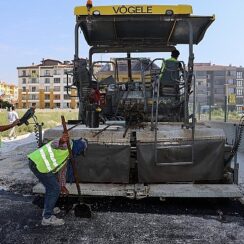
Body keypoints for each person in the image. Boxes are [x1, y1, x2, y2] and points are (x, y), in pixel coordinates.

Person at [28, 133, 88, 226]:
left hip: (37, 163)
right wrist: (61, 141)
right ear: (79, 147)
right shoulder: (68, 144)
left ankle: (48, 209)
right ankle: (47, 218)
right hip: (39, 164)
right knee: (54, 189)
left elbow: (62, 172)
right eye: (80, 151)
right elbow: (56, 144)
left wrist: (63, 186)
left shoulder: (68, 154)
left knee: (51, 187)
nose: (78, 154)